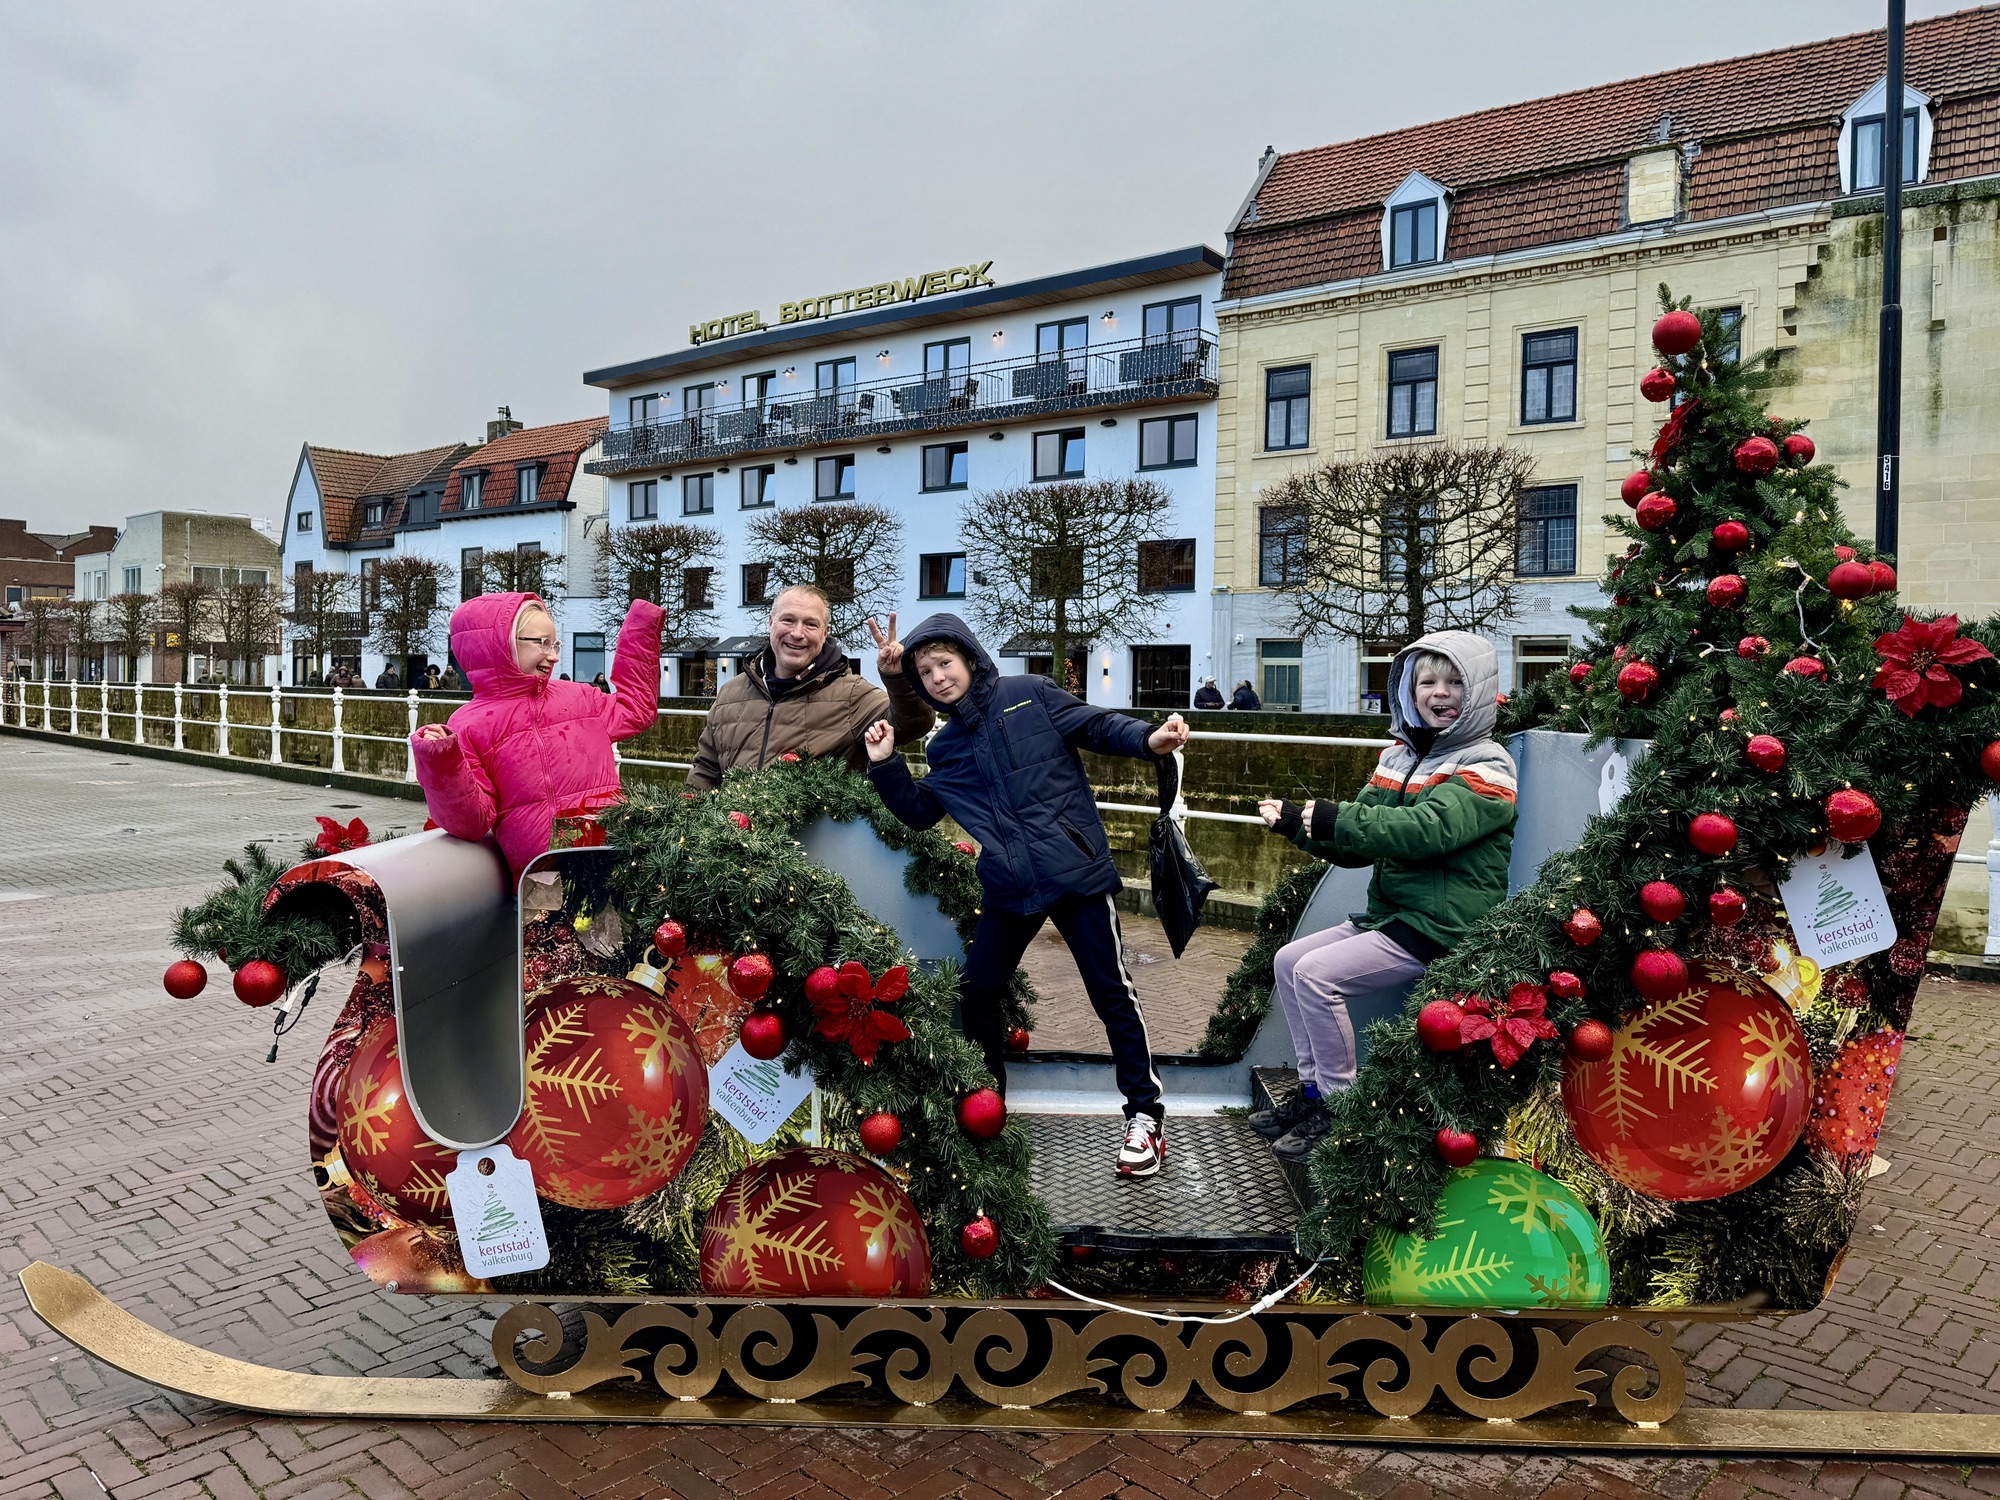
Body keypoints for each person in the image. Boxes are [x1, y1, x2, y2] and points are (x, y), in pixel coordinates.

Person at [863, 614, 1191, 1179]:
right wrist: (887, 764)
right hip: (1011, 887)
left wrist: (1148, 740)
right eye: (925, 671)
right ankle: (988, 1105)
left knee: (1110, 991)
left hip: (1074, 873)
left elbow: (1097, 726)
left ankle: (1144, 1115)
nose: (938, 677)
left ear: (969, 658)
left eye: (945, 663)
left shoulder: (1030, 695)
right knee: (978, 990)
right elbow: (920, 813)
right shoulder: (947, 750)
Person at [1247, 631, 1516, 1163]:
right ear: (1408, 691)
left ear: (1479, 691)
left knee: (1317, 976)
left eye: (1456, 681)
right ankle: (1311, 1092)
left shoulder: (1489, 765)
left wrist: (1334, 815)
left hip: (1443, 924)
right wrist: (1301, 827)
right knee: (1288, 961)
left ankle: (1342, 1110)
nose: (1441, 693)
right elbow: (1357, 846)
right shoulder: (1396, 758)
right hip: (1391, 914)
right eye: (1428, 682)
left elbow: (1425, 831)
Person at [410, 592, 664, 876]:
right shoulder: (468, 725)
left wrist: (642, 627)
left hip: (615, 859)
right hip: (542, 882)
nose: (554, 656)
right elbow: (471, 821)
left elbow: (636, 709)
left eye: (555, 644)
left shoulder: (580, 697)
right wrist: (441, 761)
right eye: (543, 643)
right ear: (502, 645)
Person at [685, 586, 932, 790]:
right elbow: (706, 770)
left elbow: (914, 724)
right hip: (736, 839)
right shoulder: (731, 692)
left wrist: (898, 677)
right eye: (788, 620)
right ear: (771, 623)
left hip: (812, 847)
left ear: (826, 633)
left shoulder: (852, 695)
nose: (797, 633)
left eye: (811, 624)